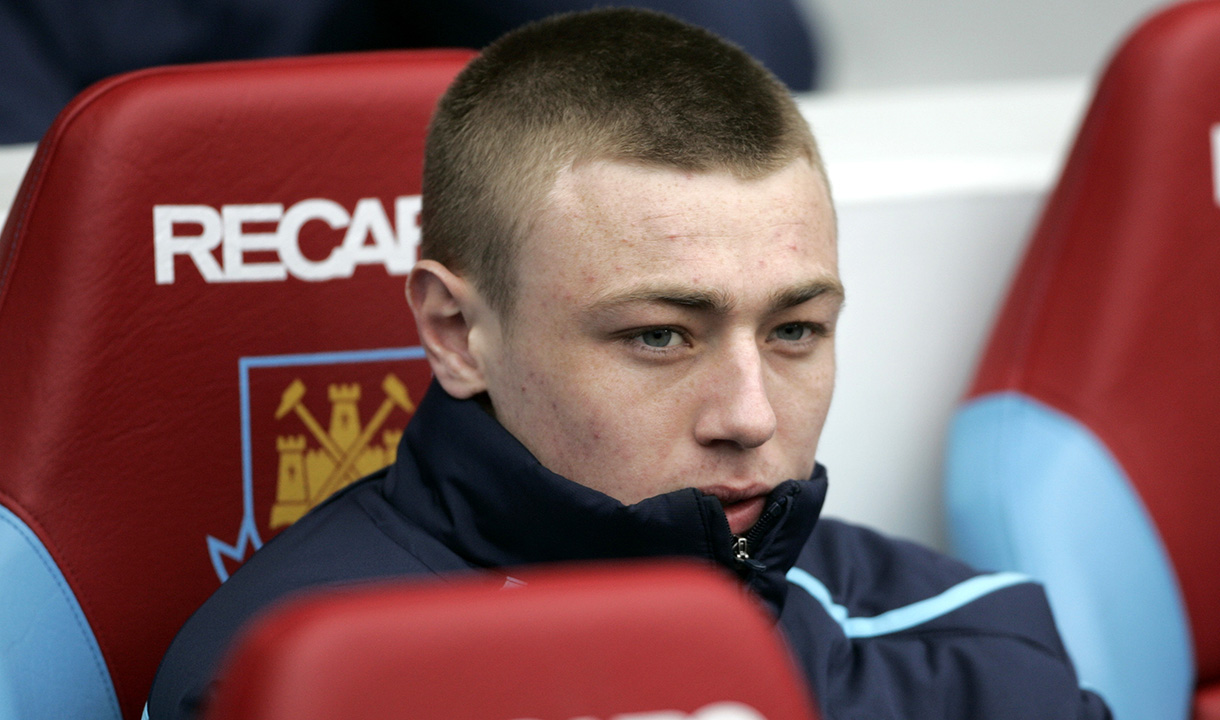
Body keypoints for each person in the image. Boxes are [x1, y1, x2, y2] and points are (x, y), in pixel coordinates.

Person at [148, 9, 1112, 719]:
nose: (749, 417)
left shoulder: (964, 638)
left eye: (794, 331)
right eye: (659, 335)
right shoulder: (284, 683)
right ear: (454, 332)